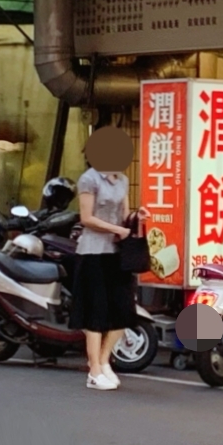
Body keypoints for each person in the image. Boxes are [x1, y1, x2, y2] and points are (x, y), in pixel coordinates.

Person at [70, 162, 150, 391]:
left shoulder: (122, 180)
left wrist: (136, 217)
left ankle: (104, 361)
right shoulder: (89, 179)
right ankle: (94, 371)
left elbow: (124, 217)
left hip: (118, 254)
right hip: (93, 252)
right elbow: (86, 218)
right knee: (96, 312)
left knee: (124, 310)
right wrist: (117, 230)